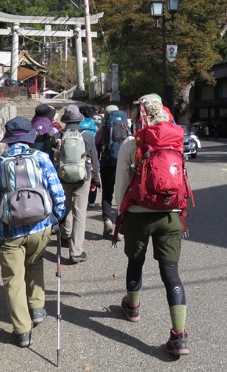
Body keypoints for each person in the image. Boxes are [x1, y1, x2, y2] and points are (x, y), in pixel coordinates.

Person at [113, 93, 191, 356]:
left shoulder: (131, 143)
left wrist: (119, 213)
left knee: (136, 262)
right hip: (171, 213)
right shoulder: (176, 141)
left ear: (140, 115)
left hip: (137, 213)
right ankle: (179, 336)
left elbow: (121, 185)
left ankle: (133, 308)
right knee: (171, 272)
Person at [0, 117, 66, 348]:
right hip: (40, 227)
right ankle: (38, 308)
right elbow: (58, 193)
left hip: (9, 231)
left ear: (9, 139)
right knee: (35, 262)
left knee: (13, 279)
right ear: (29, 137)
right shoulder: (41, 158)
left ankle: (22, 331)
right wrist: (55, 218)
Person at [58, 105, 101, 264]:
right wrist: (95, 181)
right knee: (80, 213)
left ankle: (65, 235)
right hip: (83, 177)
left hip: (63, 177)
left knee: (66, 207)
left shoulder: (58, 136)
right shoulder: (87, 136)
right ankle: (76, 252)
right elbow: (95, 161)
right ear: (79, 119)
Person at [94, 104, 125, 237]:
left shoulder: (102, 130)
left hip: (107, 165)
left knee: (107, 194)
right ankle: (120, 225)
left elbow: (97, 149)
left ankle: (107, 220)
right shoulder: (125, 128)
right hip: (123, 166)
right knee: (122, 195)